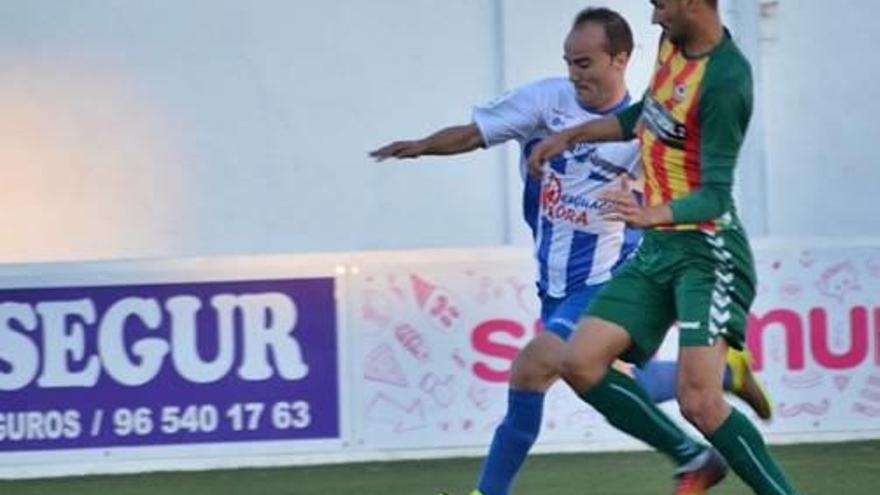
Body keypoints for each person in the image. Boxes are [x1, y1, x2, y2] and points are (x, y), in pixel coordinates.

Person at [371, 7, 769, 495]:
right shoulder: (546, 102)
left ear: (620, 60)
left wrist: (657, 221)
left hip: (608, 276)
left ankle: (686, 456)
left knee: (534, 368)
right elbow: (476, 134)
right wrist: (421, 145)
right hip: (554, 285)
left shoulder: (647, 130)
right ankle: (725, 374)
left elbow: (692, 190)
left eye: (584, 63)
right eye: (569, 62)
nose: (574, 73)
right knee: (615, 382)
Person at [527, 1, 798, 494]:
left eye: (661, 4)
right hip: (658, 249)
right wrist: (571, 136)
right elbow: (643, 116)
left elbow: (716, 194)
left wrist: (648, 212)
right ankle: (695, 458)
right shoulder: (673, 44)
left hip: (708, 254)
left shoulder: (727, 78)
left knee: (699, 401)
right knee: (579, 362)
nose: (654, 17)